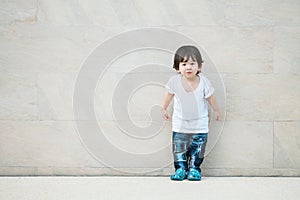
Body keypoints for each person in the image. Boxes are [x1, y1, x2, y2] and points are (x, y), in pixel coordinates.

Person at [162, 45, 220, 181]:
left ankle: (194, 169)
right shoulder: (174, 81)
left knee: (197, 150)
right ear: (177, 67)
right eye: (184, 64)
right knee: (179, 150)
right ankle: (181, 169)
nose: (188, 67)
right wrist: (163, 108)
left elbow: (210, 98)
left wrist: (216, 110)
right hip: (179, 125)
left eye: (192, 63)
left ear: (199, 66)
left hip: (199, 126)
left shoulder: (204, 82)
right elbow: (168, 95)